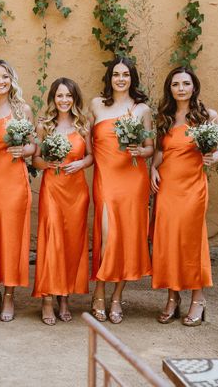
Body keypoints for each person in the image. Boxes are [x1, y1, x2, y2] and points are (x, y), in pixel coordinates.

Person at [151, 66, 218, 327]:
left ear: (194, 86)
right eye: (175, 84)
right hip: (167, 187)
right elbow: (161, 152)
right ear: (170, 88)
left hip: (193, 187)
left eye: (185, 83)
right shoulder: (165, 116)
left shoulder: (207, 116)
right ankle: (172, 297)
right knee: (169, 240)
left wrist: (213, 156)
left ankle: (198, 299)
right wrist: (152, 169)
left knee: (191, 241)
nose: (181, 88)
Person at [89, 57, 153, 324]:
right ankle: (99, 292)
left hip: (132, 179)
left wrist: (141, 150)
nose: (120, 79)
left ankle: (115, 296)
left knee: (126, 238)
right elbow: (87, 143)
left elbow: (150, 147)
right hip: (105, 178)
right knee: (107, 237)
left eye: (125, 74)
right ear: (109, 78)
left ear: (132, 78)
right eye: (116, 74)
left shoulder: (141, 109)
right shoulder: (96, 105)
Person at [32, 78, 92, 325]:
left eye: (68, 96)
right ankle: (47, 298)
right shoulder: (44, 125)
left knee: (70, 243)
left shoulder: (84, 125)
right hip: (53, 189)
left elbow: (91, 156)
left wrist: (81, 163)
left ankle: (64, 296)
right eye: (59, 96)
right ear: (53, 99)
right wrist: (47, 164)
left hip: (77, 192)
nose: (64, 100)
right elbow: (35, 159)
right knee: (51, 240)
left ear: (74, 98)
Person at [0, 60, 34, 322]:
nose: (0, 82)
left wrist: (23, 150)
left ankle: (10, 295)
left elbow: (33, 147)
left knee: (12, 237)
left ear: (11, 79)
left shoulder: (22, 109)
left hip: (14, 179)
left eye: (4, 77)